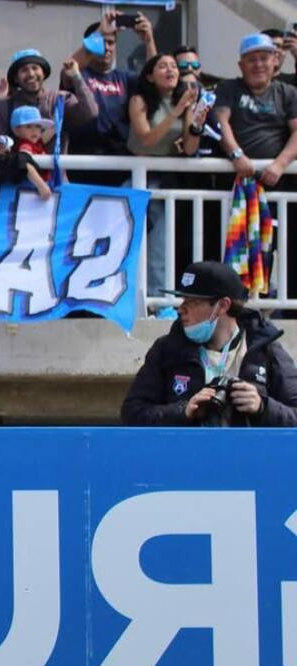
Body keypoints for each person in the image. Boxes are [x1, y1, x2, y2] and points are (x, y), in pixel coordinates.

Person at [122, 261, 297, 426]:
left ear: (222, 306)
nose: (181, 309)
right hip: (191, 455)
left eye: (193, 302)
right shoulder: (167, 349)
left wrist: (262, 407)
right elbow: (132, 413)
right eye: (183, 300)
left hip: (247, 456)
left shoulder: (265, 350)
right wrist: (183, 411)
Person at [127, 54, 205, 298]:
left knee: (162, 242)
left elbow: (190, 148)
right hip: (136, 176)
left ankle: (159, 299)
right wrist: (177, 111)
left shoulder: (185, 101)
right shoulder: (139, 100)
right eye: (163, 66)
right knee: (126, 239)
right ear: (150, 75)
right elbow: (146, 139)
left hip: (167, 179)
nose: (170, 70)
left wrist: (195, 126)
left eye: (174, 66)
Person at [214, 33, 297, 189]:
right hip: (235, 184)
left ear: (275, 61)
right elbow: (221, 122)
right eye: (252, 60)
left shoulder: (289, 93)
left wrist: (280, 165)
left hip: (277, 184)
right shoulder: (227, 88)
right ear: (241, 65)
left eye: (264, 58)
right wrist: (236, 155)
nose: (258, 64)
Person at [68, 11, 156, 157]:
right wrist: (99, 32)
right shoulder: (79, 74)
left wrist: (149, 40)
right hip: (82, 158)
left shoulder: (125, 77)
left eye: (111, 42)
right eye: (102, 42)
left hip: (120, 159)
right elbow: (69, 67)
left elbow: (153, 78)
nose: (107, 48)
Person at [0, 48, 97, 155]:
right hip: (17, 170)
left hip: (54, 171)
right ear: (16, 78)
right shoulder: (4, 106)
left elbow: (90, 112)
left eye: (35, 68)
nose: (31, 74)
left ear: (44, 73)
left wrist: (76, 77)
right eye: (24, 70)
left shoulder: (60, 100)